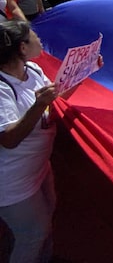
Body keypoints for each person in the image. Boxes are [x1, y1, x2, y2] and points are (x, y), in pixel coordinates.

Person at [0, 20, 100, 263]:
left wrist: (84, 72)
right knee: (33, 234)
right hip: (12, 183)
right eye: (33, 35)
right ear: (22, 48)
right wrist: (39, 104)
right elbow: (9, 139)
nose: (39, 39)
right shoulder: (2, 88)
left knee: (44, 223)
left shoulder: (32, 70)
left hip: (39, 168)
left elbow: (54, 99)